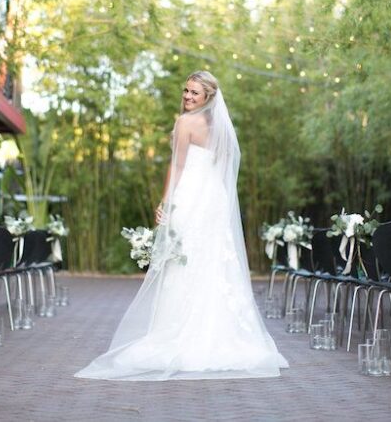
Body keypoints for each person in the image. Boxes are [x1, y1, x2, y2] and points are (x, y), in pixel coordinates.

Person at [75, 71, 288, 381]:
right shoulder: (223, 128)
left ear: (208, 98)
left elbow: (177, 166)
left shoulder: (184, 123)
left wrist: (165, 203)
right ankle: (219, 334)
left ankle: (182, 333)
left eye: (194, 93)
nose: (188, 97)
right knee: (212, 263)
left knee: (190, 263)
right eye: (186, 91)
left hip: (191, 197)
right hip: (215, 199)